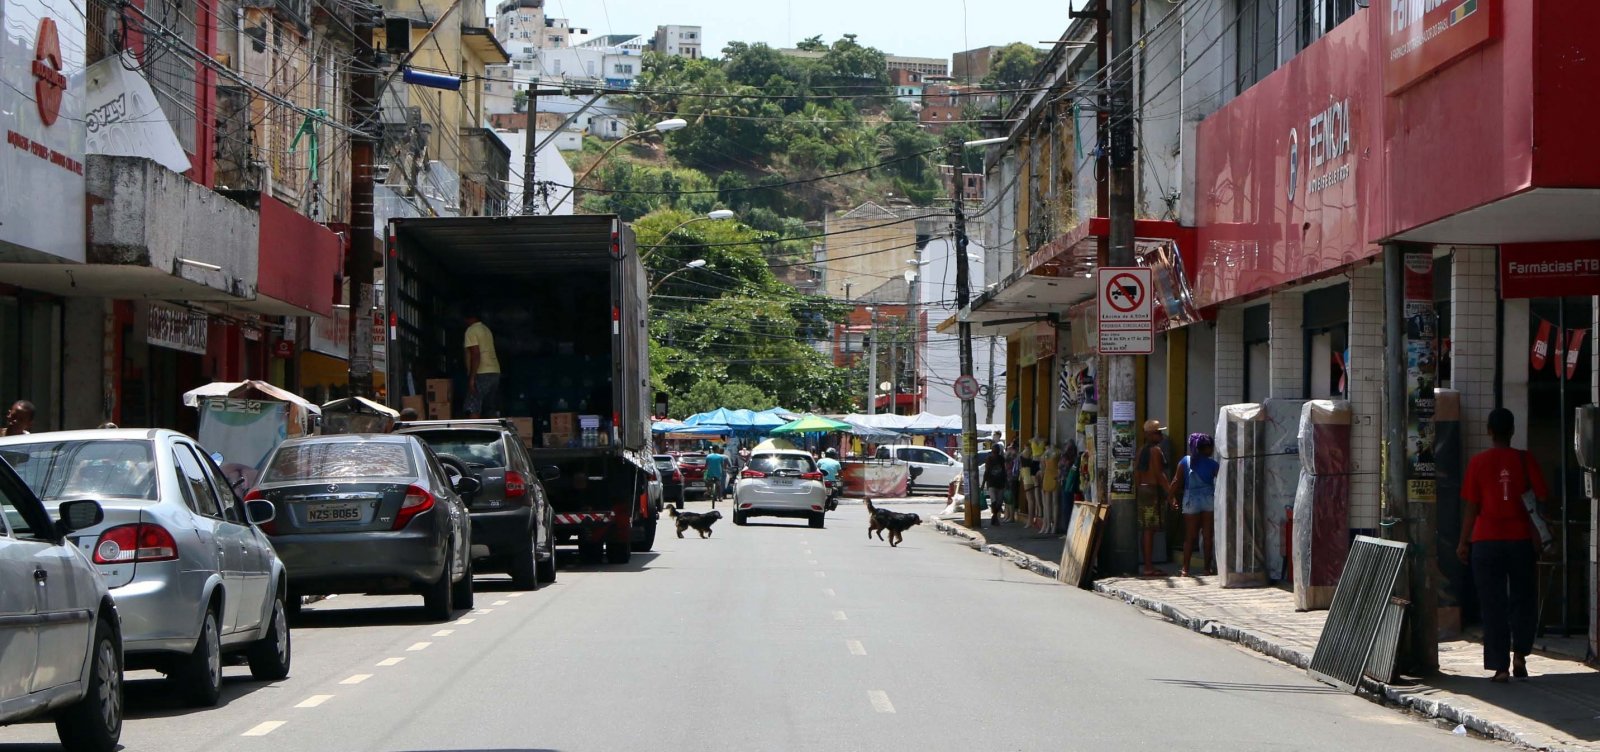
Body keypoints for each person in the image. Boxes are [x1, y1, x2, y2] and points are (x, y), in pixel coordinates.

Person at [1458, 407, 1548, 683]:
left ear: (1489, 431)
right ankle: (1520, 655)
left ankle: (1500, 667)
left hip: (1486, 541)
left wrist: (1463, 542)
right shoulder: (1524, 460)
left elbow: (1472, 507)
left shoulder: (1478, 463)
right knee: (1524, 598)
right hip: (1520, 539)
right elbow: (1542, 495)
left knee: (1492, 603)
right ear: (1512, 431)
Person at [1169, 433, 1218, 577]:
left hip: (1191, 500)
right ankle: (1207, 569)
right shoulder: (1213, 464)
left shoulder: (1185, 461)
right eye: (1211, 447)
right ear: (1206, 448)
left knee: (1190, 536)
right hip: (1208, 499)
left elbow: (1176, 481)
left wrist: (1170, 497)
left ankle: (1185, 569)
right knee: (1208, 535)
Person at [1135, 419, 1169, 577]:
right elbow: (1159, 474)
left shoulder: (1142, 450)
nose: (1160, 435)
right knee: (1150, 530)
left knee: (1147, 530)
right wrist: (1170, 493)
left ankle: (1148, 564)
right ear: (1150, 435)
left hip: (1143, 491)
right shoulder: (1155, 451)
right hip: (1152, 492)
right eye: (1157, 432)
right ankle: (1148, 566)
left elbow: (1137, 474)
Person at [462, 310, 501, 418]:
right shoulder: (486, 330)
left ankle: (474, 433)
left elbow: (475, 355)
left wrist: (472, 378)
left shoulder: (471, 331)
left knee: (473, 406)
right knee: (489, 407)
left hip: (482, 372)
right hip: (495, 371)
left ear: (467, 318)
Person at [983, 448, 1009, 526]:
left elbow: (1004, 470)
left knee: (999, 502)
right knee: (994, 500)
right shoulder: (989, 459)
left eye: (996, 452)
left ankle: (994, 516)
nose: (995, 453)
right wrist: (983, 483)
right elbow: (986, 471)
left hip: (1000, 483)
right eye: (994, 452)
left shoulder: (1001, 459)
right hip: (991, 483)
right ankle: (995, 517)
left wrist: (1006, 482)